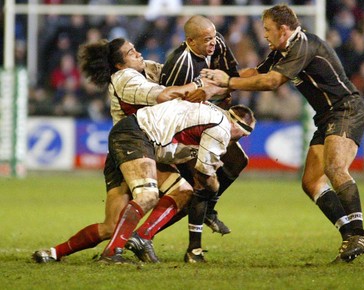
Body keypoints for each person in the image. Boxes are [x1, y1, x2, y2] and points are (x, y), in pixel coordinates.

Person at [202, 4, 364, 263]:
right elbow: (257, 73)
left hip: (346, 109)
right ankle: (350, 235)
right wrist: (222, 79)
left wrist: (228, 82)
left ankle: (359, 233)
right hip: (327, 116)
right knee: (312, 182)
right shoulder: (281, 50)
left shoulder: (303, 44)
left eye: (268, 30)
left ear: (283, 30)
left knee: (335, 168)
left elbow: (271, 82)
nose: (265, 35)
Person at [32, 37, 219, 263]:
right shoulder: (125, 78)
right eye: (131, 52)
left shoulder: (141, 69)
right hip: (131, 144)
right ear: (120, 65)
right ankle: (119, 250)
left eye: (135, 49)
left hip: (142, 146)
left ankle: (54, 253)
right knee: (149, 196)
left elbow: (172, 73)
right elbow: (165, 95)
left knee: (114, 226)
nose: (138, 53)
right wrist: (198, 86)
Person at [99, 98, 256, 264]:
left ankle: (142, 237)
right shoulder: (222, 129)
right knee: (147, 197)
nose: (240, 140)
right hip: (138, 136)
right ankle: (111, 253)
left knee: (184, 191)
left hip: (145, 137)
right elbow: (204, 175)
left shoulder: (212, 113)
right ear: (237, 125)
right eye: (243, 135)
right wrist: (214, 189)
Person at [159, 15, 247, 237]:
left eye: (214, 37)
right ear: (190, 41)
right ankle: (147, 237)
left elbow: (232, 80)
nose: (213, 43)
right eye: (206, 39)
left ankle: (208, 210)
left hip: (203, 119)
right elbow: (170, 107)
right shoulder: (180, 64)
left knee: (238, 160)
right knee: (198, 186)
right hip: (177, 130)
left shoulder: (217, 44)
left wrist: (219, 93)